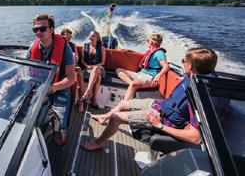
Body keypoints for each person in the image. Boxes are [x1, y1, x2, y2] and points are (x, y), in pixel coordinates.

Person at [81, 47, 218, 151]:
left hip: (164, 118)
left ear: (192, 67)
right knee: (123, 103)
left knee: (116, 117)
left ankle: (97, 143)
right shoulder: (194, 77)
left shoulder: (199, 94)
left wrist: (159, 125)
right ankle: (104, 117)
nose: (182, 63)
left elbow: (195, 137)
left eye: (184, 61)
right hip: (162, 105)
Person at [27, 13, 75, 145]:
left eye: (42, 29)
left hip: (59, 88)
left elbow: (71, 79)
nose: (38, 32)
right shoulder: (32, 49)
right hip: (39, 87)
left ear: (52, 29)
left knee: (59, 133)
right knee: (27, 118)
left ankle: (62, 132)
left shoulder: (65, 48)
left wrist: (53, 88)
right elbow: (23, 71)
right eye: (35, 29)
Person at [116, 34, 169, 100]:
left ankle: (124, 104)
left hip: (149, 77)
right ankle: (132, 84)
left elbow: (166, 66)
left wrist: (158, 76)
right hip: (140, 74)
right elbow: (146, 57)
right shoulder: (150, 51)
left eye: (148, 40)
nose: (147, 42)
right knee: (119, 70)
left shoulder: (159, 53)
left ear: (151, 42)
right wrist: (130, 51)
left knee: (133, 84)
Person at [61, 28, 85, 113]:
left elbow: (77, 57)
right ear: (62, 35)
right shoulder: (59, 45)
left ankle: (81, 101)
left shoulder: (72, 45)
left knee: (78, 71)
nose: (69, 37)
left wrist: (74, 59)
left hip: (72, 66)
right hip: (61, 67)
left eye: (70, 36)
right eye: (67, 35)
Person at [80, 31, 106, 107]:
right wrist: (87, 66)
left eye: (93, 36)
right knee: (98, 77)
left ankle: (87, 93)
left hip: (99, 68)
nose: (90, 38)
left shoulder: (102, 48)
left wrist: (95, 67)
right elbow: (82, 60)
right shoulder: (84, 47)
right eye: (90, 36)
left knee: (96, 68)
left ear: (97, 38)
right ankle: (94, 99)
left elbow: (103, 62)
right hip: (88, 69)